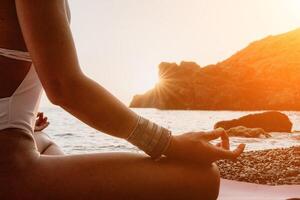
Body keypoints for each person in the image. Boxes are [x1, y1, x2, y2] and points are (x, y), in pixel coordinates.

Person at [0, 1, 245, 199]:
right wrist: (169, 144)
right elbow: (64, 87)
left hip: (20, 142)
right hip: (10, 171)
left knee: (44, 143)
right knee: (201, 178)